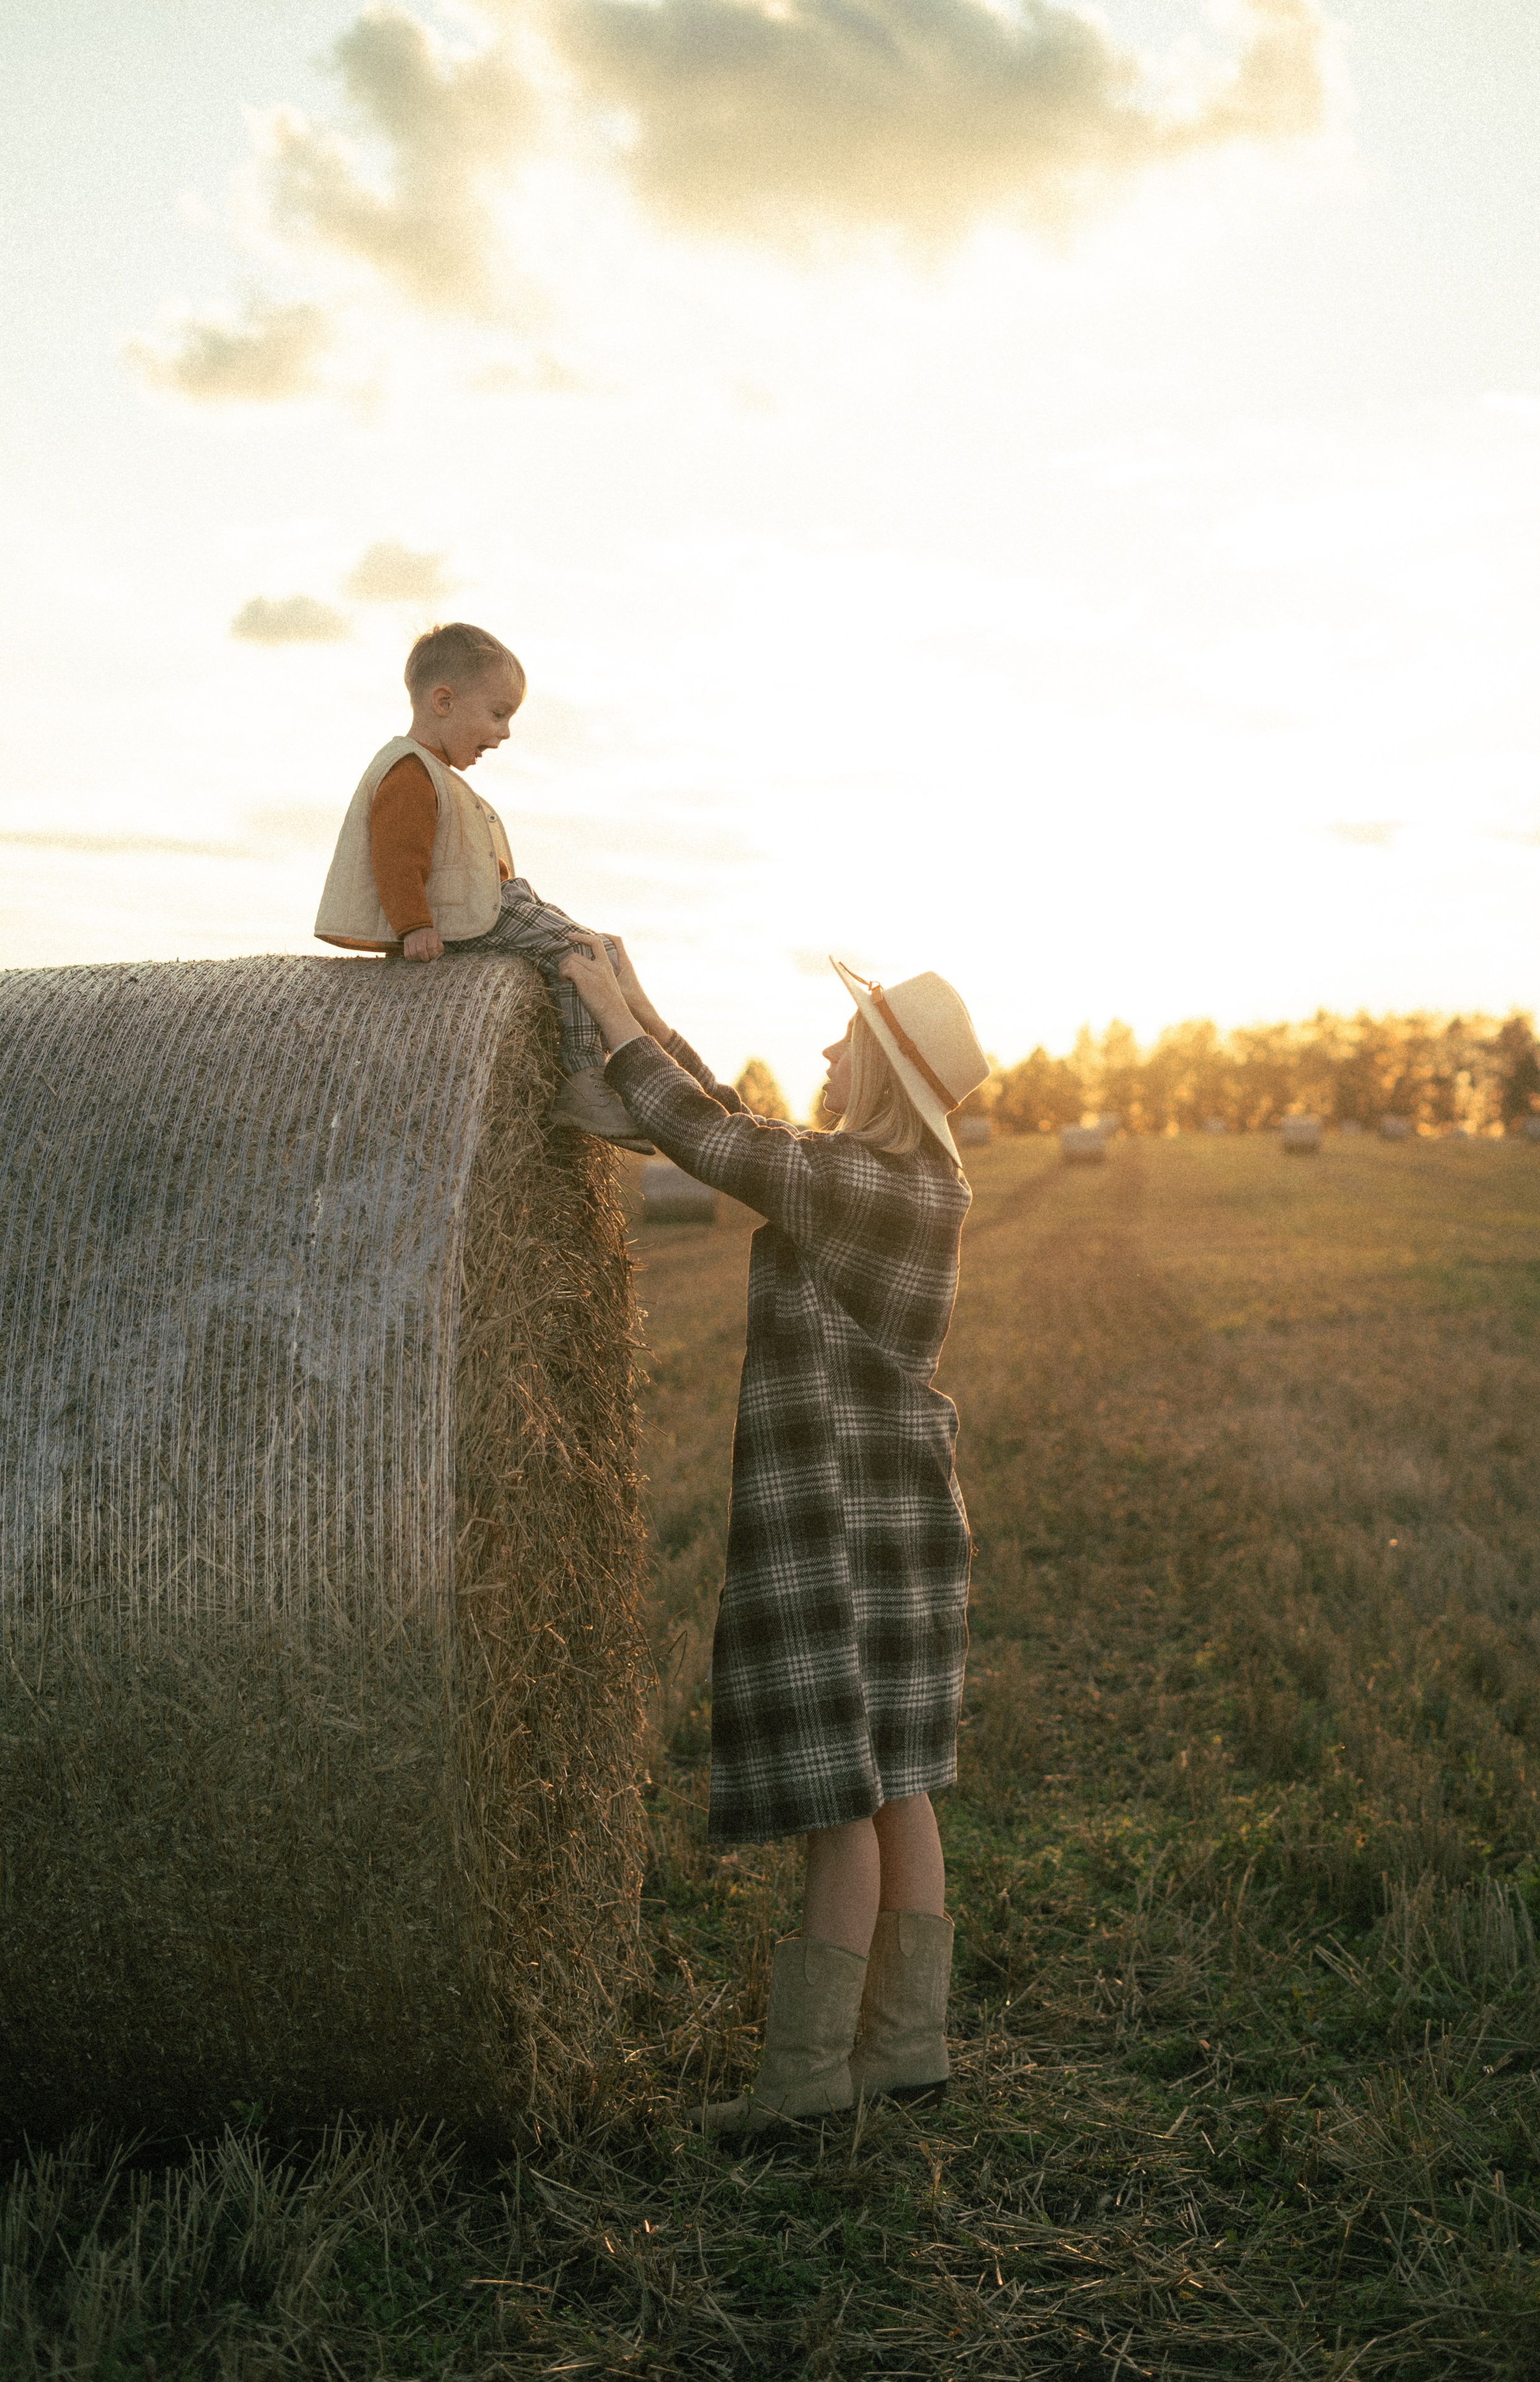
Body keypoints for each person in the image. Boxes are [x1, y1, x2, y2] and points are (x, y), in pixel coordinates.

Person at [559, 930, 990, 2133]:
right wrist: (634, 1006)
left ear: (886, 1071)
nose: (825, 1045)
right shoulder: (904, 1184)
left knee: (837, 1810)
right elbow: (740, 1130)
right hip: (903, 1516)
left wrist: (608, 1016)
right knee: (901, 1785)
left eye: (847, 1035)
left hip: (841, 1519)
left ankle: (803, 2081)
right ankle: (903, 2046)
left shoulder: (863, 1187)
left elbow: (710, 1144)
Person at [315, 621, 652, 1152]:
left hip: (491, 906)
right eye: (499, 714)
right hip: (468, 919)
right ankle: (586, 1080)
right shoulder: (409, 772)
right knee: (583, 950)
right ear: (444, 701)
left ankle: (596, 1073)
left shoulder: (436, 772)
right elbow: (397, 857)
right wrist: (415, 925)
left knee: (597, 949)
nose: (506, 733)